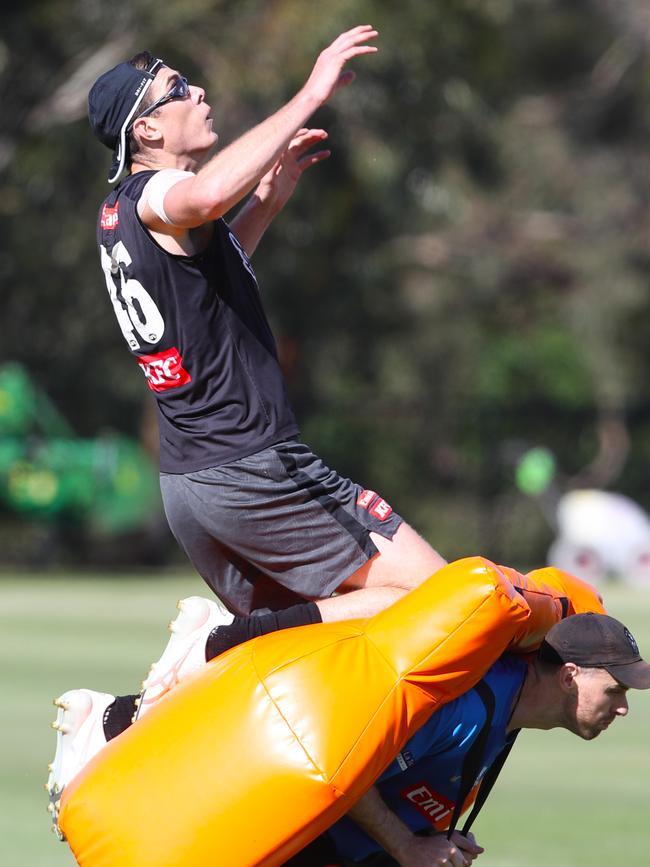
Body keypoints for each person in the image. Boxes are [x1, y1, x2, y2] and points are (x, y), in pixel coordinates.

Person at [86, 25, 446, 686]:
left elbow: (203, 294)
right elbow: (197, 197)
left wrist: (266, 205)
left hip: (190, 483)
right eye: (176, 91)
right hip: (252, 468)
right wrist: (310, 93)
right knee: (450, 602)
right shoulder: (158, 196)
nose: (198, 92)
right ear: (146, 132)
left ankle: (117, 717)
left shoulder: (118, 213)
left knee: (307, 666)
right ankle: (217, 639)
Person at [283, 612, 650, 866]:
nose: (623, 709)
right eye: (615, 691)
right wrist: (408, 846)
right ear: (569, 677)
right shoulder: (464, 709)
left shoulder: (513, 706)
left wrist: (430, 840)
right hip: (306, 848)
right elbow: (341, 767)